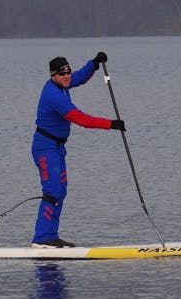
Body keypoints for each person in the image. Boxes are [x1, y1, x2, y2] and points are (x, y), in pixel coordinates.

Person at [31, 52, 126, 248]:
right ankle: (41, 239)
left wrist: (94, 63)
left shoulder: (63, 83)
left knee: (61, 191)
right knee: (53, 191)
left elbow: (80, 77)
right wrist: (111, 124)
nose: (67, 76)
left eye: (68, 71)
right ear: (53, 76)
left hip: (57, 148)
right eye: (62, 73)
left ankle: (51, 236)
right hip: (45, 148)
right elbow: (81, 119)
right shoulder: (54, 95)